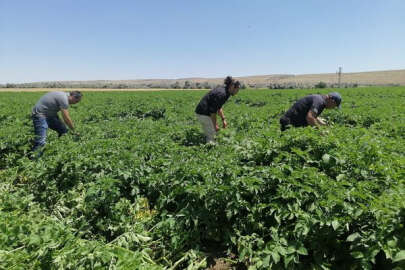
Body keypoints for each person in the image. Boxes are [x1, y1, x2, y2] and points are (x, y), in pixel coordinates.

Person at [195, 76, 241, 142]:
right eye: (237, 89)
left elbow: (218, 107)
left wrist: (223, 119)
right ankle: (210, 147)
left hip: (203, 112)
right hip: (203, 113)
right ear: (232, 86)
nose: (237, 92)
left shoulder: (226, 92)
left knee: (212, 131)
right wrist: (215, 125)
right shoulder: (222, 94)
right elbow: (213, 112)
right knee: (212, 135)